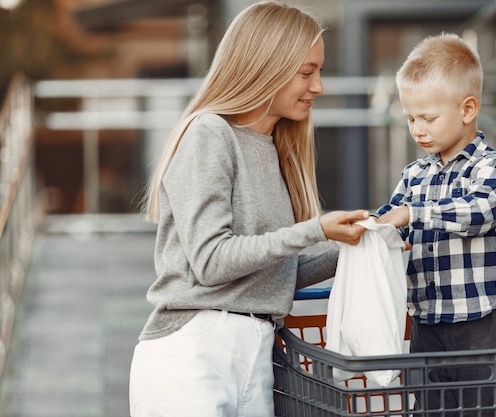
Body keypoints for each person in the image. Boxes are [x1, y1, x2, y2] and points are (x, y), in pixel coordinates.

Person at [128, 2, 369, 416]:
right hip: (192, 354)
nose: (318, 87)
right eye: (306, 72)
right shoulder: (209, 134)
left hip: (256, 358)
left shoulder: (276, 150)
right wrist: (315, 230)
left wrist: (361, 243)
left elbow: (271, 278)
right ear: (265, 65)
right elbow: (211, 263)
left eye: (320, 72)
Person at [375, 33, 496, 417]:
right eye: (410, 118)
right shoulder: (414, 174)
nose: (417, 129)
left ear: (467, 109)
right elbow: (394, 218)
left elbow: (482, 210)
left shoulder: (490, 167)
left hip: (481, 318)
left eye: (427, 118)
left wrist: (416, 213)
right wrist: (373, 225)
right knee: (430, 408)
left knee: (481, 408)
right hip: (427, 318)